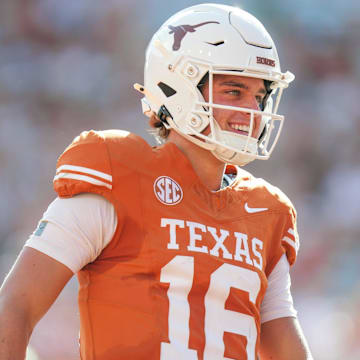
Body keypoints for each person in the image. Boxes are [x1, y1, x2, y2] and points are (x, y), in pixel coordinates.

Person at [0, 3, 313, 360]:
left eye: (260, 96)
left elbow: (284, 343)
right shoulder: (119, 175)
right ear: (179, 86)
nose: (253, 112)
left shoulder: (267, 212)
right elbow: (15, 306)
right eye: (233, 91)